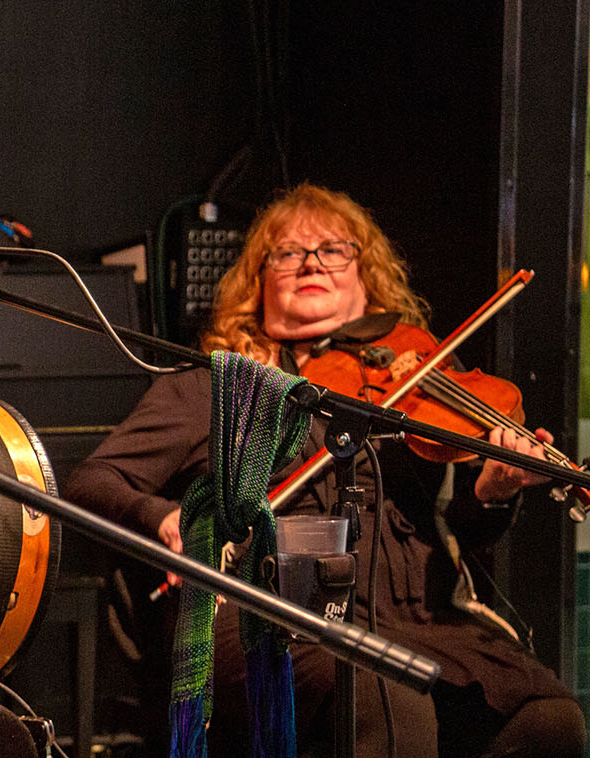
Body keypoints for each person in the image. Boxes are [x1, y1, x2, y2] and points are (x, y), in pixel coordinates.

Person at [63, 183, 585, 758]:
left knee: (550, 723)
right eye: (288, 253)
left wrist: (492, 491)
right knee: (388, 703)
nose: (311, 263)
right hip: (269, 614)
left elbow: (465, 528)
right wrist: (167, 518)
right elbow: (91, 482)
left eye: (334, 250)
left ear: (367, 281)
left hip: (414, 619)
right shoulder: (215, 387)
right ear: (258, 284)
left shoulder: (419, 379)